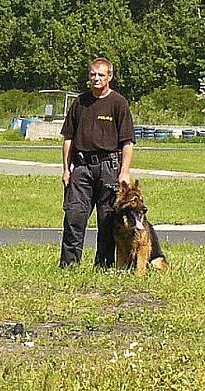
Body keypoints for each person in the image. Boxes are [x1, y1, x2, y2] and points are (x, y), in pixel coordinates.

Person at [59, 57, 135, 269]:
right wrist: (67, 169)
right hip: (81, 168)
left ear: (110, 76)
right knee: (74, 217)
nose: (96, 78)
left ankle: (103, 266)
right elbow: (68, 139)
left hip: (108, 167)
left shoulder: (118, 103)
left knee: (107, 219)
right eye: (93, 74)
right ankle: (69, 265)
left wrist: (124, 172)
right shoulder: (80, 103)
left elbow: (127, 142)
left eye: (101, 74)